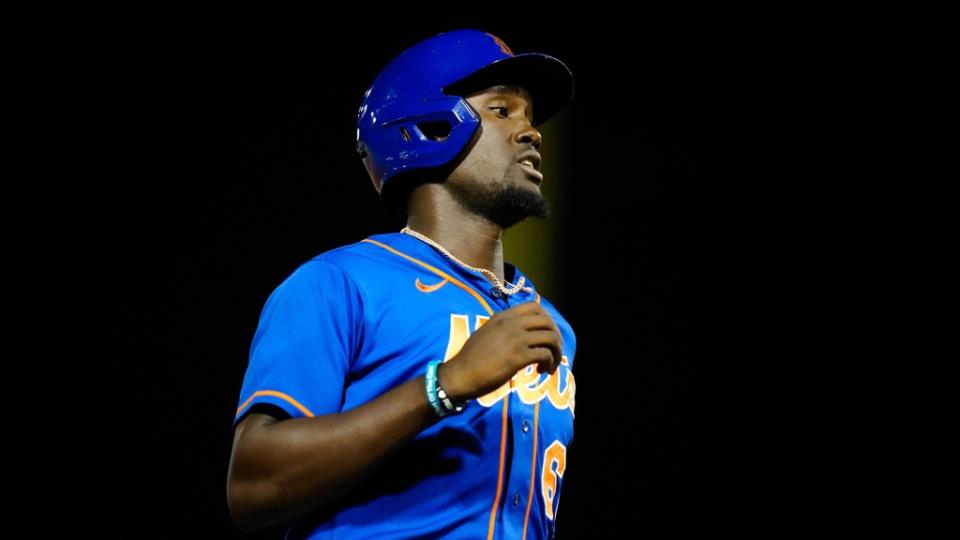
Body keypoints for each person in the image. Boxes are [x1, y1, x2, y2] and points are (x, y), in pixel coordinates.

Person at [226, 29, 577, 539]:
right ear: (431, 127)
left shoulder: (554, 329)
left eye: (531, 116)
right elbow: (253, 486)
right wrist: (445, 384)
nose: (532, 132)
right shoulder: (339, 285)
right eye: (503, 111)